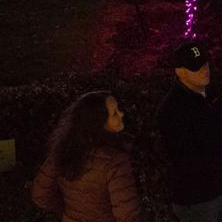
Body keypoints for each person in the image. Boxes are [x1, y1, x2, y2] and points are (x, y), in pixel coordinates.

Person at [157, 41, 222, 222]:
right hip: (198, 199)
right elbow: (183, 158)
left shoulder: (210, 93)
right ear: (179, 71)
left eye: (205, 63)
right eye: (195, 67)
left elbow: (221, 132)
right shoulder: (172, 109)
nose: (204, 69)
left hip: (221, 189)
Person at [31, 91, 140, 222]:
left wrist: (67, 212)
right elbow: (127, 215)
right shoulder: (115, 161)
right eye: (114, 113)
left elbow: (40, 194)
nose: (121, 114)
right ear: (99, 122)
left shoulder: (62, 151)